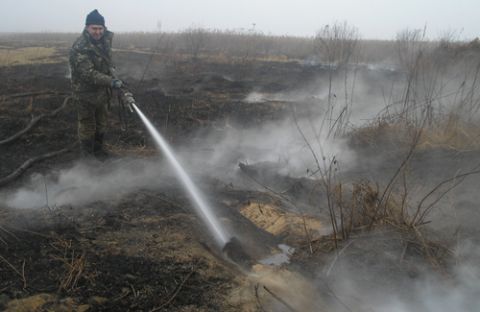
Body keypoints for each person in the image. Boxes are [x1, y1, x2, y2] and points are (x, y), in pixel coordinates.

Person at [69, 9, 123, 158]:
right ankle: (88, 158)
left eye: (100, 28)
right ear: (87, 27)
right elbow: (88, 74)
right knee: (87, 124)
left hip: (102, 92)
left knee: (102, 122)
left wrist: (113, 74)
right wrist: (111, 81)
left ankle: (99, 151)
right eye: (94, 28)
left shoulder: (105, 41)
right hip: (84, 93)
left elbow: (108, 62)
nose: (98, 32)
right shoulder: (80, 47)